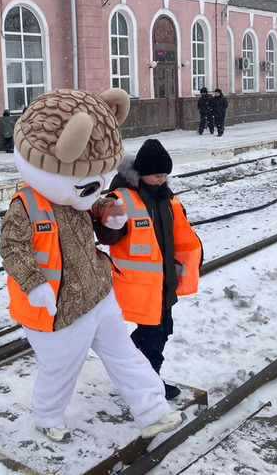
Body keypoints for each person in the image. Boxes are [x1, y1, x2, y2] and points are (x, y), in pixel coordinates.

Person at [0, 88, 183, 443]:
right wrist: (35, 285)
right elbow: (11, 248)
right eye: (89, 185)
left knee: (125, 355)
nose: (94, 191)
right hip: (55, 308)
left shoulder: (76, 195)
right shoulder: (26, 206)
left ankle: (152, 410)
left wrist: (110, 218)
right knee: (61, 369)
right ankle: (46, 415)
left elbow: (91, 214)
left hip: (97, 292)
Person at [92, 139, 202, 401]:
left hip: (164, 281)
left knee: (161, 332)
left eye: (165, 175)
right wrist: (113, 223)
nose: (162, 180)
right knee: (153, 335)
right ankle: (147, 382)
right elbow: (107, 237)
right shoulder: (120, 200)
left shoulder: (166, 198)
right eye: (157, 175)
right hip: (139, 285)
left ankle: (135, 373)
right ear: (141, 174)